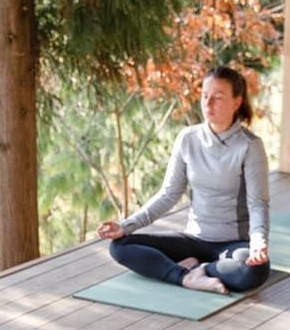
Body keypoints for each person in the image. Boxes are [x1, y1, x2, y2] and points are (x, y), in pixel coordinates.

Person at [97, 66, 272, 294]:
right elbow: (169, 194)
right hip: (193, 239)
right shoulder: (187, 138)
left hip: (232, 244)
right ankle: (185, 277)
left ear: (236, 103)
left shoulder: (250, 145)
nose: (208, 104)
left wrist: (258, 242)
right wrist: (125, 226)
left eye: (217, 98)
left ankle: (201, 268)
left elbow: (257, 203)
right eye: (205, 96)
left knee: (254, 271)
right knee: (121, 247)